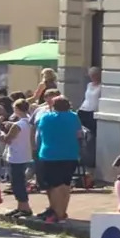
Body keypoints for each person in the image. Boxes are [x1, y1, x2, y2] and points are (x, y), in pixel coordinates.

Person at [34, 95, 83, 223]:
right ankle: (62, 211)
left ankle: (56, 212)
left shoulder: (46, 117)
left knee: (53, 185)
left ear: (53, 106)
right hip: (71, 154)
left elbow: (40, 134)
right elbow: (79, 135)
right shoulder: (74, 117)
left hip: (50, 155)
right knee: (65, 184)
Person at [1, 99, 32, 217]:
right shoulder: (29, 121)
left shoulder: (17, 125)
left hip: (16, 155)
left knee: (17, 183)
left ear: (17, 109)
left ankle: (25, 207)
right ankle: (20, 206)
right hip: (25, 153)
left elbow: (7, 140)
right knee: (19, 181)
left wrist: (0, 132)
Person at [78, 67, 102, 134]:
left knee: (92, 131)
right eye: (91, 75)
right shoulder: (89, 85)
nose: (92, 77)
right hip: (83, 109)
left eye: (94, 75)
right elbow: (87, 98)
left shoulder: (101, 86)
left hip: (93, 110)